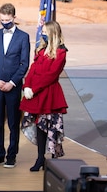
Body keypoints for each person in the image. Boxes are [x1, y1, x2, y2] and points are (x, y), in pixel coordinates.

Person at [20, 21, 69, 172]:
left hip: (51, 95)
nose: (43, 34)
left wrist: (33, 88)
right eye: (42, 31)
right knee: (40, 127)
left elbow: (51, 75)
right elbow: (33, 70)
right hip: (37, 95)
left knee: (53, 127)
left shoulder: (61, 52)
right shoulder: (40, 50)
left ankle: (54, 160)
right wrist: (26, 85)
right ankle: (40, 158)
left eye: (45, 31)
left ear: (53, 33)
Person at [0, 3, 30, 168]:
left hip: (13, 86)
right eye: (1, 19)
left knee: (12, 123)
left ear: (14, 18)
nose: (4, 22)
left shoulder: (23, 37)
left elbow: (24, 63)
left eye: (7, 20)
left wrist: (12, 82)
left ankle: (12, 155)